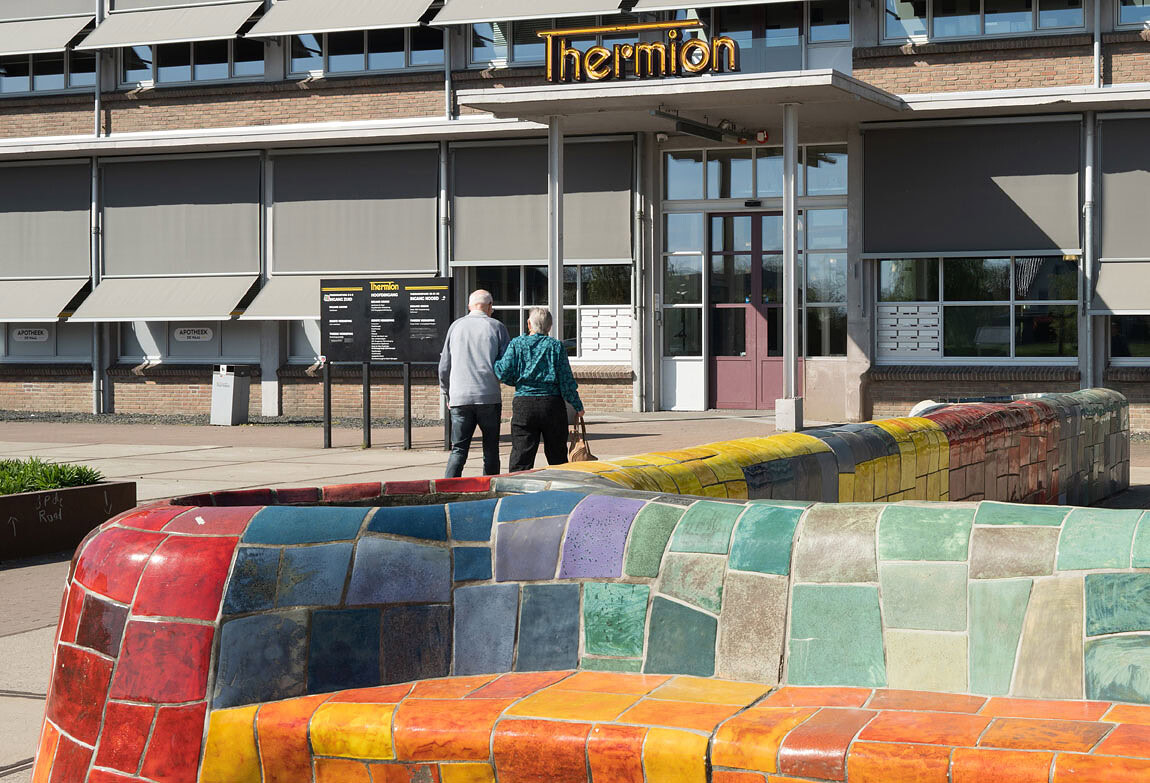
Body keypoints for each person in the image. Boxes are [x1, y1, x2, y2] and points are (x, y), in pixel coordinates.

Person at [495, 307, 584, 473]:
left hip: (524, 403)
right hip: (552, 404)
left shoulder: (516, 344)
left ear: (529, 324)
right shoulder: (556, 346)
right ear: (549, 327)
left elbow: (503, 371)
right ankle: (559, 491)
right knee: (557, 454)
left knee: (521, 454)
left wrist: (515, 381)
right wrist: (577, 405)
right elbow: (566, 380)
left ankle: (517, 490)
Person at [439, 290, 510, 478]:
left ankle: (448, 490)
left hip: (459, 397)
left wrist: (447, 393)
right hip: (488, 395)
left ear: (470, 306)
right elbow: (506, 363)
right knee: (491, 450)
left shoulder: (455, 327)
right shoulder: (497, 327)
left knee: (459, 450)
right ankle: (490, 488)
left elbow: (444, 365)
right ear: (489, 306)